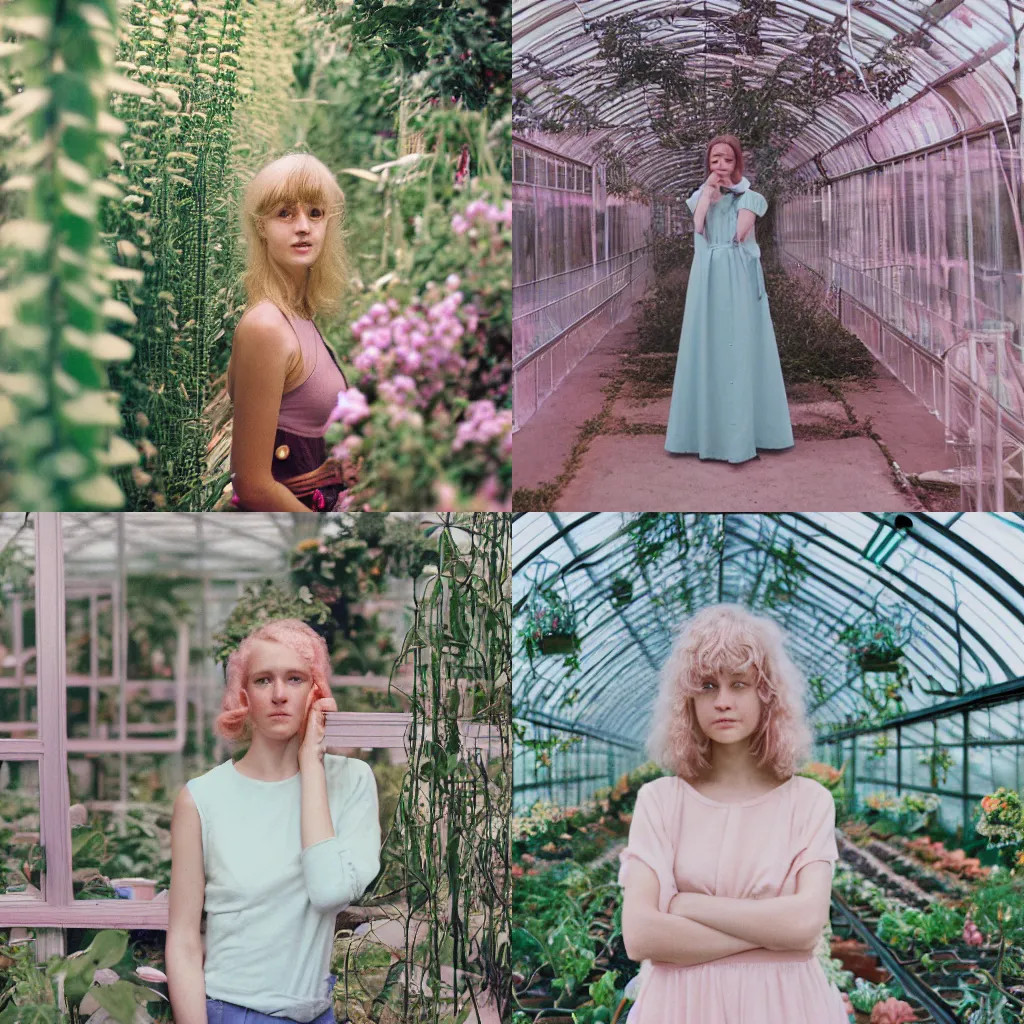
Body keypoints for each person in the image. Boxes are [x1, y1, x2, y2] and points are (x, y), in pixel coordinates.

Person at [618, 604, 847, 1023]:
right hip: (680, 1010)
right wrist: (771, 938)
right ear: (687, 698)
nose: (723, 701)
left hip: (785, 1008)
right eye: (707, 685)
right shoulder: (661, 800)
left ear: (767, 696)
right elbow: (640, 935)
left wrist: (687, 905)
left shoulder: (809, 801)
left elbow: (805, 928)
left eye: (739, 684)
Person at [166, 619, 382, 1024]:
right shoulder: (201, 799)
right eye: (264, 680)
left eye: (295, 678)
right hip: (233, 1011)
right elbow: (182, 941)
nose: (280, 695)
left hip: (319, 1013)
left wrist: (311, 765)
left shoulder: (351, 781)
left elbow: (330, 891)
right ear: (243, 695)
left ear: (316, 690)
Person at [227, 153, 361, 511]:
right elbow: (252, 486)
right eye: (285, 213)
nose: (303, 226)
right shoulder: (266, 327)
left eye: (315, 213)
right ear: (261, 226)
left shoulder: (298, 315)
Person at [665, 135, 794, 464]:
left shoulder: (751, 198)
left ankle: (747, 434)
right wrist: (709, 193)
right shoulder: (700, 196)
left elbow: (739, 234)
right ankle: (704, 433)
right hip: (706, 275)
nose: (720, 166)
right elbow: (698, 227)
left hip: (736, 273)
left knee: (739, 346)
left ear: (737, 163)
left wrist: (731, 195)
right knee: (707, 344)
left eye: (727, 160)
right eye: (714, 160)